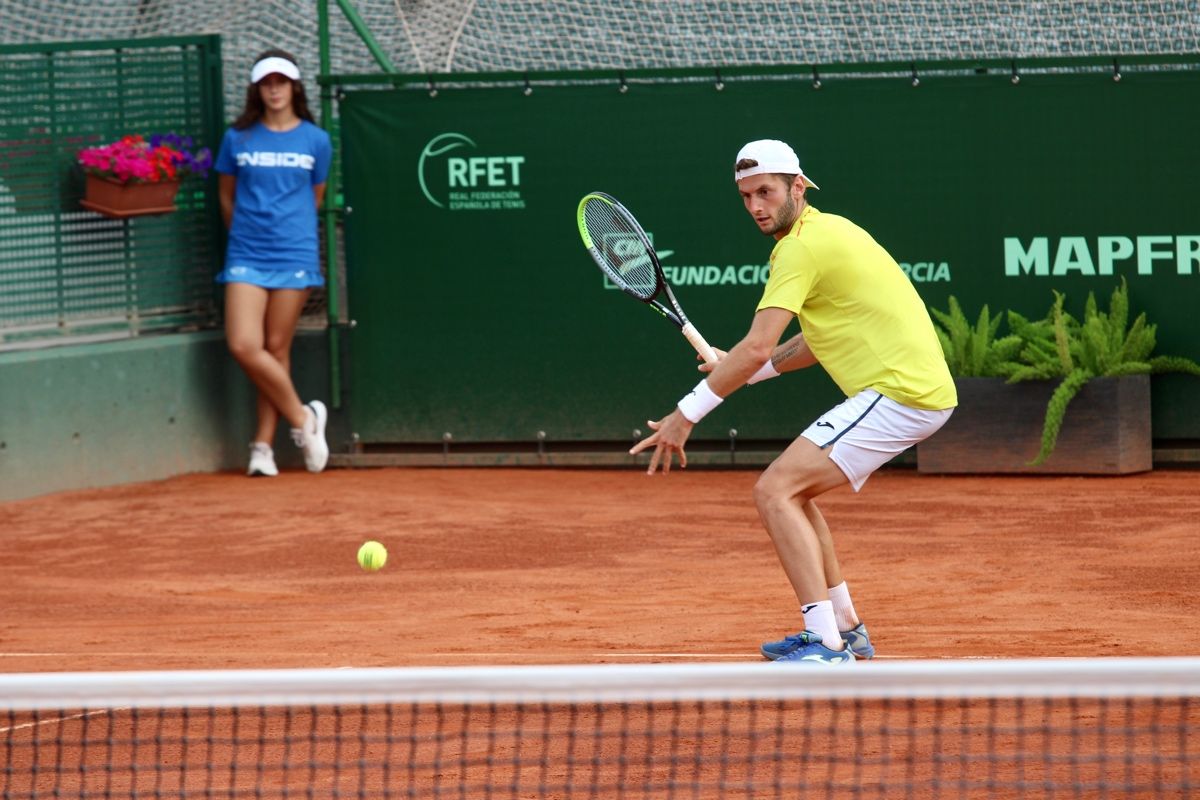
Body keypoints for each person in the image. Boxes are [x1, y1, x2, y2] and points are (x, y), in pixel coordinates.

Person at [630, 139, 957, 664]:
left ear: (797, 187)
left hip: (901, 394)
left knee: (774, 491)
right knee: (795, 495)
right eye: (745, 196)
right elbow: (811, 340)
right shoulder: (829, 231)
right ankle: (845, 627)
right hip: (909, 393)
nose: (755, 206)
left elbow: (758, 343)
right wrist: (748, 370)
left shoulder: (800, 248)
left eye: (765, 192)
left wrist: (684, 415)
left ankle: (824, 643)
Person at [214, 50, 332, 477]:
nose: (275, 89)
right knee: (244, 345)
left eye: (282, 81)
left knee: (277, 348)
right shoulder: (238, 139)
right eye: (267, 83)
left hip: (294, 254)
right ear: (257, 90)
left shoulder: (316, 140)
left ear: (295, 87)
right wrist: (246, 232)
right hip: (247, 254)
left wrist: (288, 232)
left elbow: (314, 197)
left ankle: (262, 447)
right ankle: (305, 420)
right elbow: (226, 196)